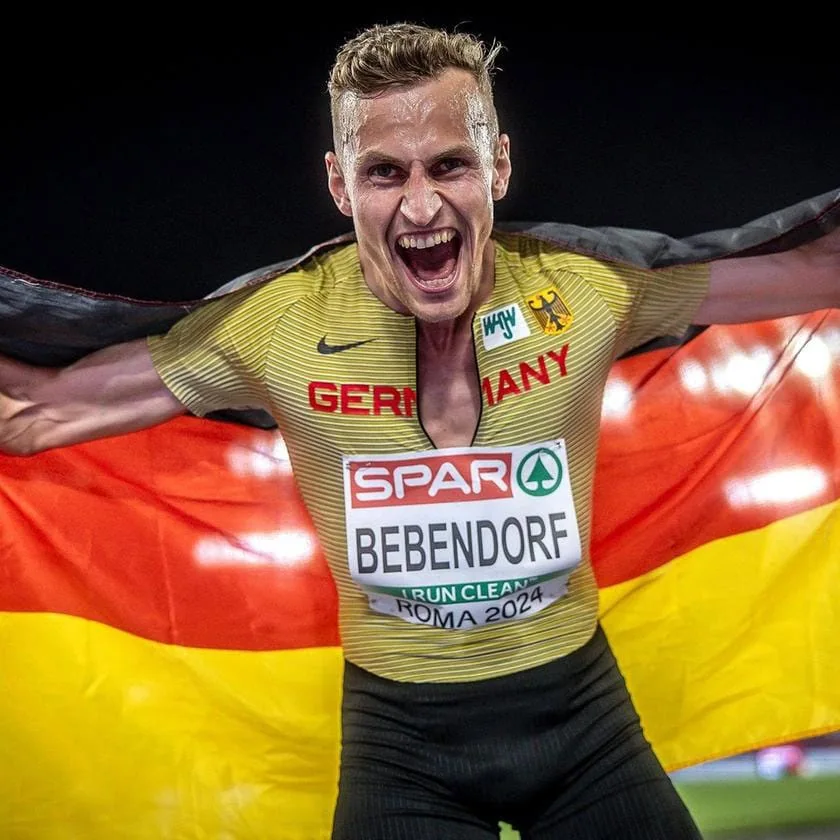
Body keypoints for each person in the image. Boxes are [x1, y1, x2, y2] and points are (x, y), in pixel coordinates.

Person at [1, 21, 838, 840]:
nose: (422, 204)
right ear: (339, 186)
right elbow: (38, 412)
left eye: (450, 165)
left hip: (587, 730)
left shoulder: (589, 292)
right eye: (384, 173)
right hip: (401, 754)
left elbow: (810, 270)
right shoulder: (275, 326)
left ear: (498, 166)